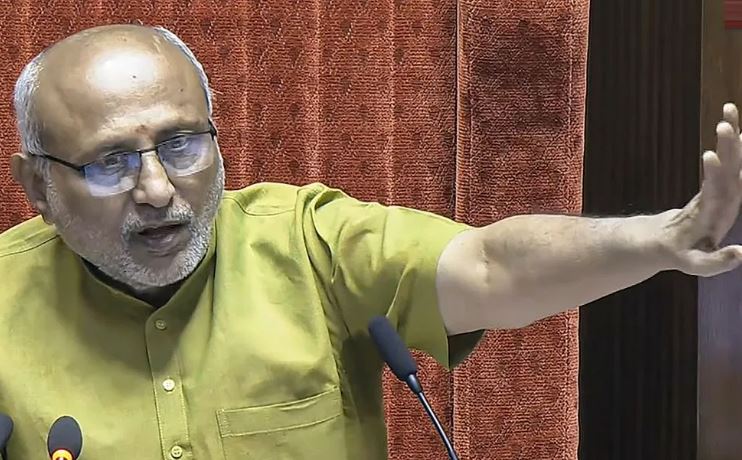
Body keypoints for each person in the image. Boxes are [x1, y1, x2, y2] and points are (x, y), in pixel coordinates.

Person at [0, 24, 739, 459]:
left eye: (182, 143)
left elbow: (490, 265)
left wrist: (657, 239)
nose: (159, 189)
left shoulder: (308, 244)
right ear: (37, 185)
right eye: (111, 162)